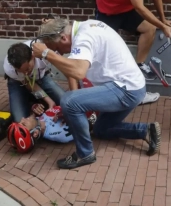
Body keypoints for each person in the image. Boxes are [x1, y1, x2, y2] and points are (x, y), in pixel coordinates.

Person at [31, 17, 161, 169]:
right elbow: (74, 74)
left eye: (57, 48)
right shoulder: (86, 26)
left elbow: (78, 72)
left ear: (64, 37)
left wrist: (47, 53)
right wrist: (74, 104)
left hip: (125, 90)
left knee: (68, 101)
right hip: (132, 87)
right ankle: (145, 130)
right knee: (100, 129)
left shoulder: (84, 38)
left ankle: (84, 154)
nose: (58, 52)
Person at [3, 41, 65, 122]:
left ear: (32, 57)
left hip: (41, 77)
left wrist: (51, 102)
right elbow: (29, 84)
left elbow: (66, 67)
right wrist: (49, 101)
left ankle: (36, 101)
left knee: (65, 101)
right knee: (20, 120)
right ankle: (31, 101)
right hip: (18, 82)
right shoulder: (9, 69)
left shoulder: (44, 51)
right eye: (21, 71)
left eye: (27, 69)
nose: (25, 73)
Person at [7, 105, 98, 153]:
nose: (22, 118)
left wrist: (35, 105)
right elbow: (88, 124)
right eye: (24, 124)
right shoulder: (58, 134)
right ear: (35, 133)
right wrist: (68, 113)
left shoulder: (38, 119)